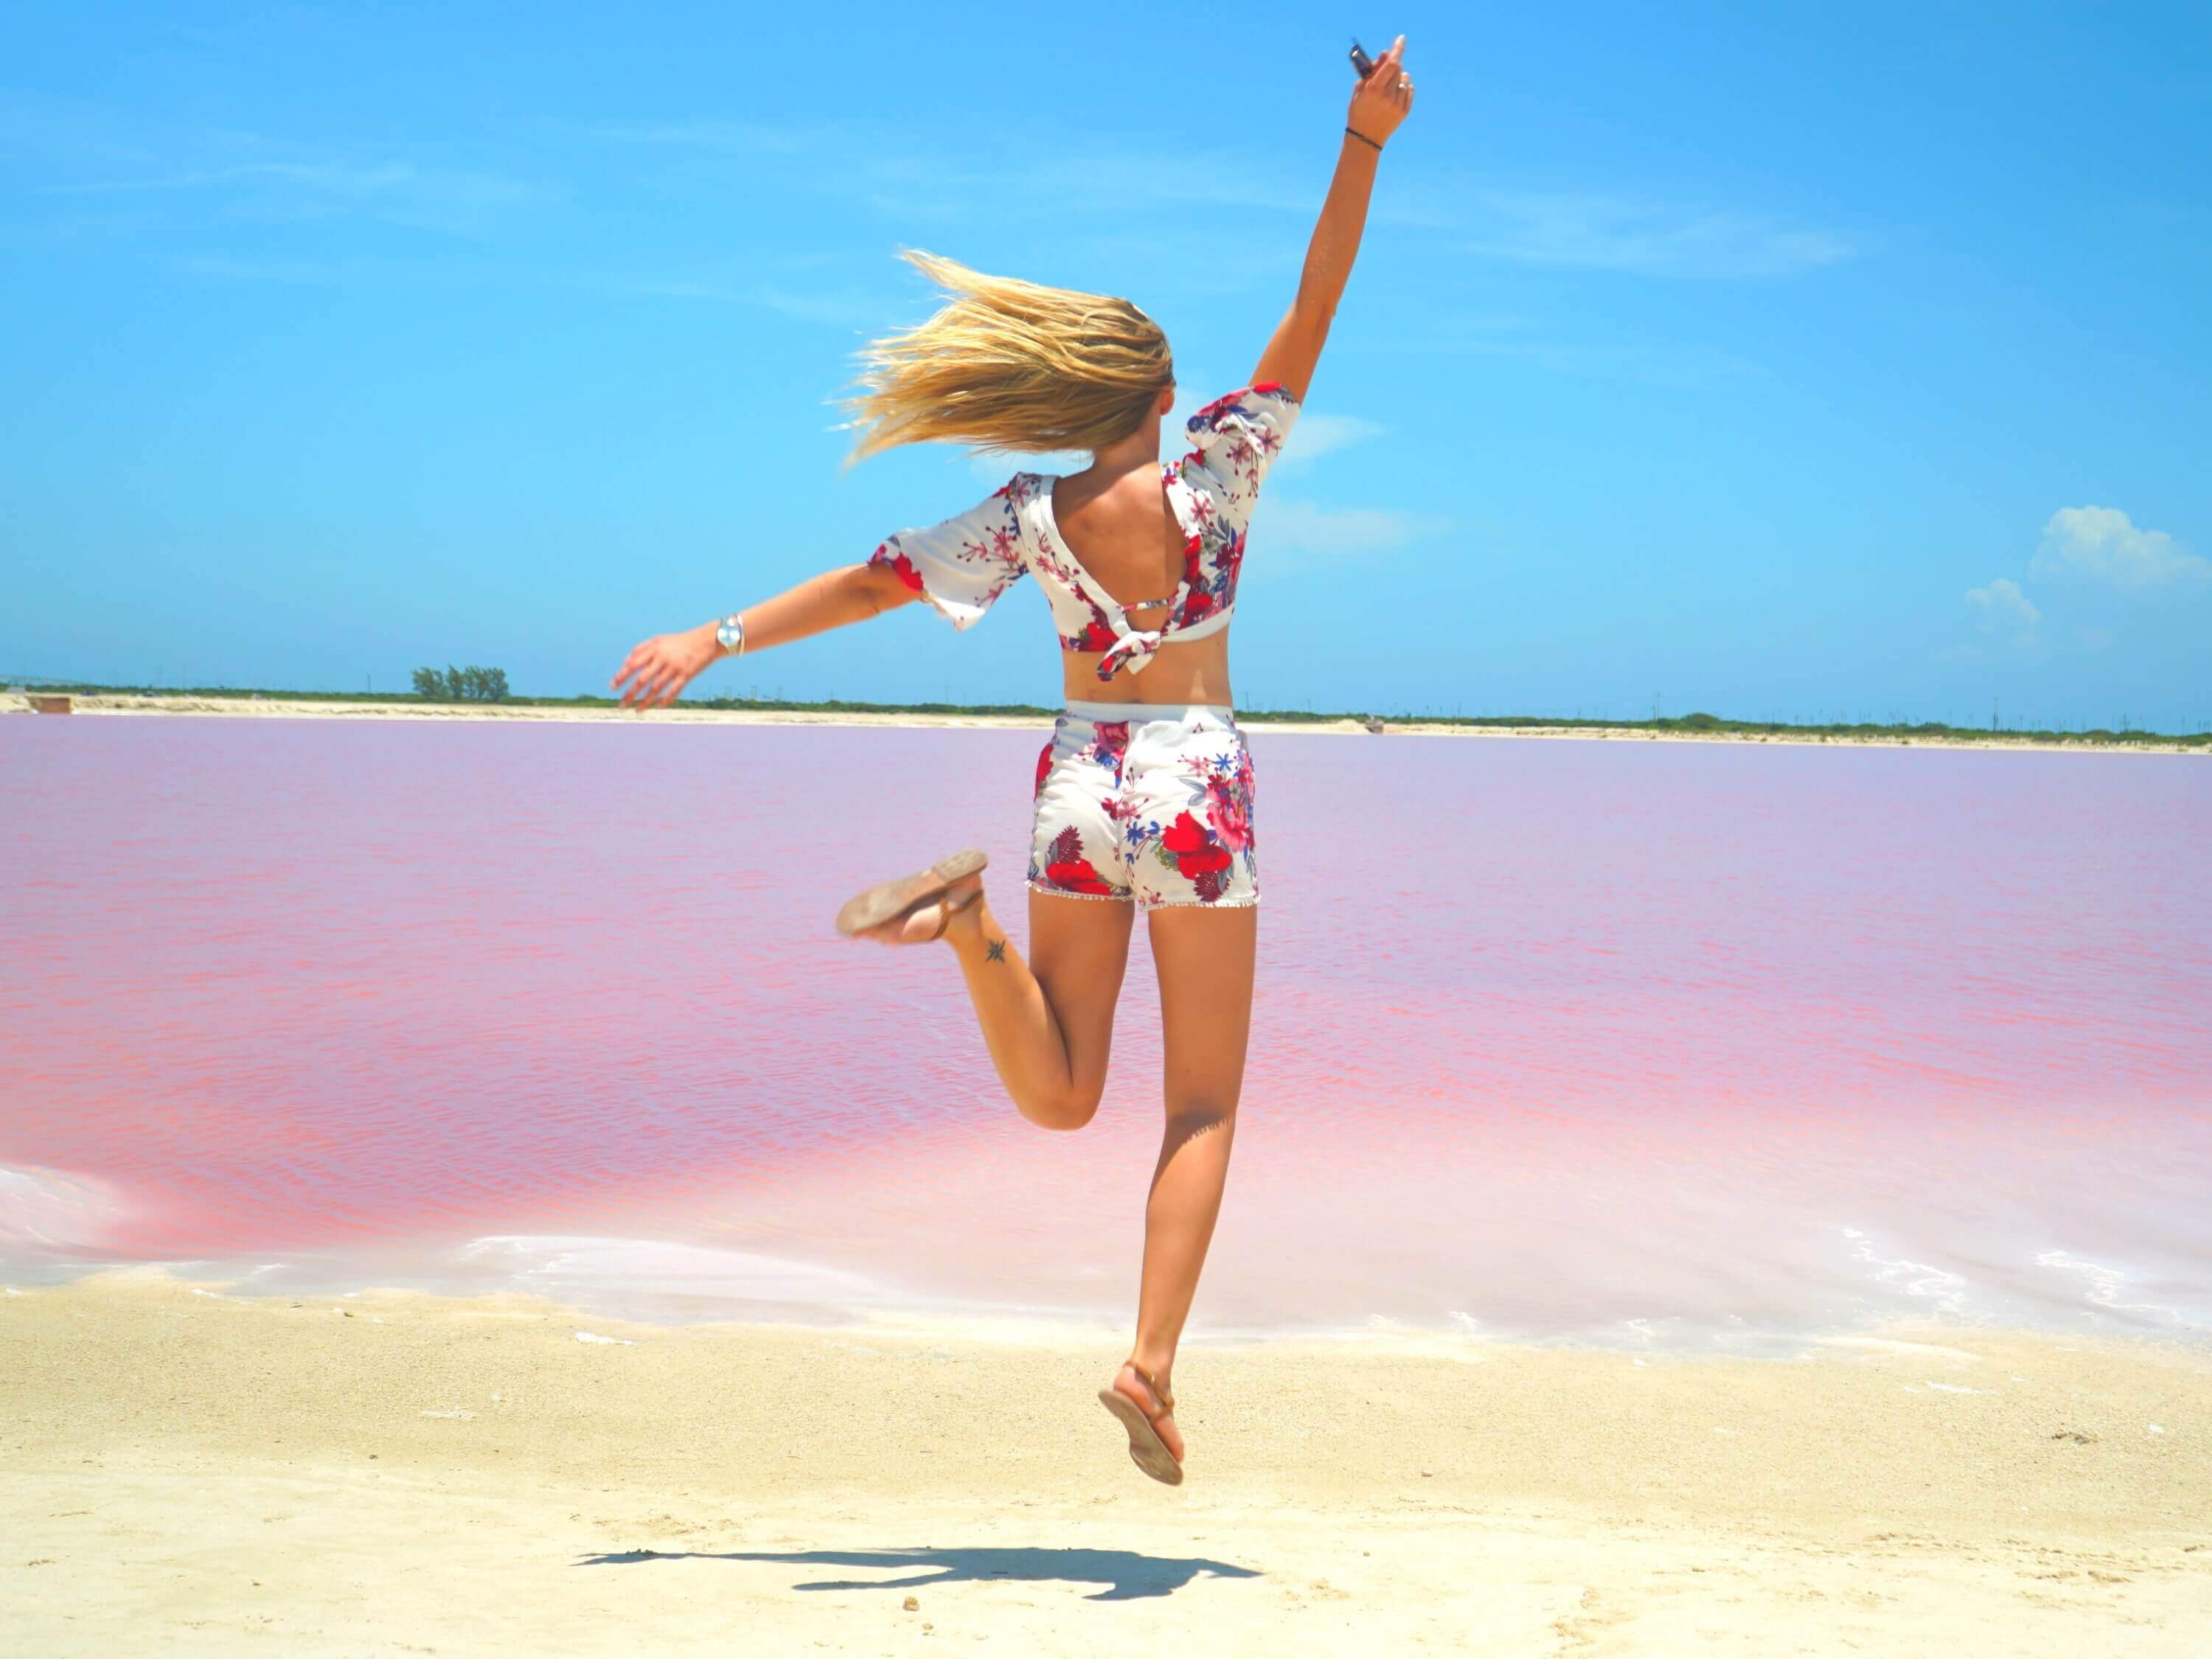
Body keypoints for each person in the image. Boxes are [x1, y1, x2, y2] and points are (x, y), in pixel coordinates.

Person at [613, 39, 1415, 1484]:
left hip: (1072, 790)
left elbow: (867, 585)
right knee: (1203, 1103)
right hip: (1193, 782)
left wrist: (714, 635)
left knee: (1061, 1097)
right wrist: (1364, 141)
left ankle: (970, 924)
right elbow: (1319, 300)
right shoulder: (1222, 466)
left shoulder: (1025, 518)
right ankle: (1151, 1366)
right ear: (1162, 396)